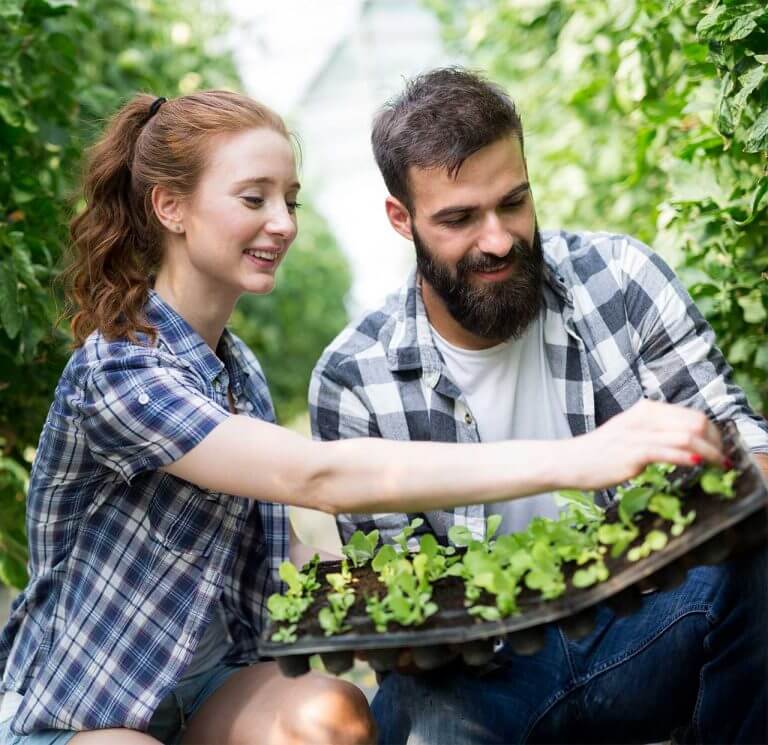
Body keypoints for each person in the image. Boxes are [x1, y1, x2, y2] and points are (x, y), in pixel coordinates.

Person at [0, 90, 725, 745]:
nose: (281, 223)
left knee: (334, 717)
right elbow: (312, 474)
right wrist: (580, 457)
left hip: (207, 688)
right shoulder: (118, 368)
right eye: (254, 199)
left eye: (290, 199)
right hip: (85, 705)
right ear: (171, 208)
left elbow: (256, 568)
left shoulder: (239, 374)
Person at [309, 67, 768, 744]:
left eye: (514, 202)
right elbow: (395, 592)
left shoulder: (623, 279)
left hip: (642, 623)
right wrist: (400, 634)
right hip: (479, 679)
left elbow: (739, 437)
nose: (498, 239)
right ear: (400, 219)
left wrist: (745, 467)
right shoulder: (353, 379)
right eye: (460, 219)